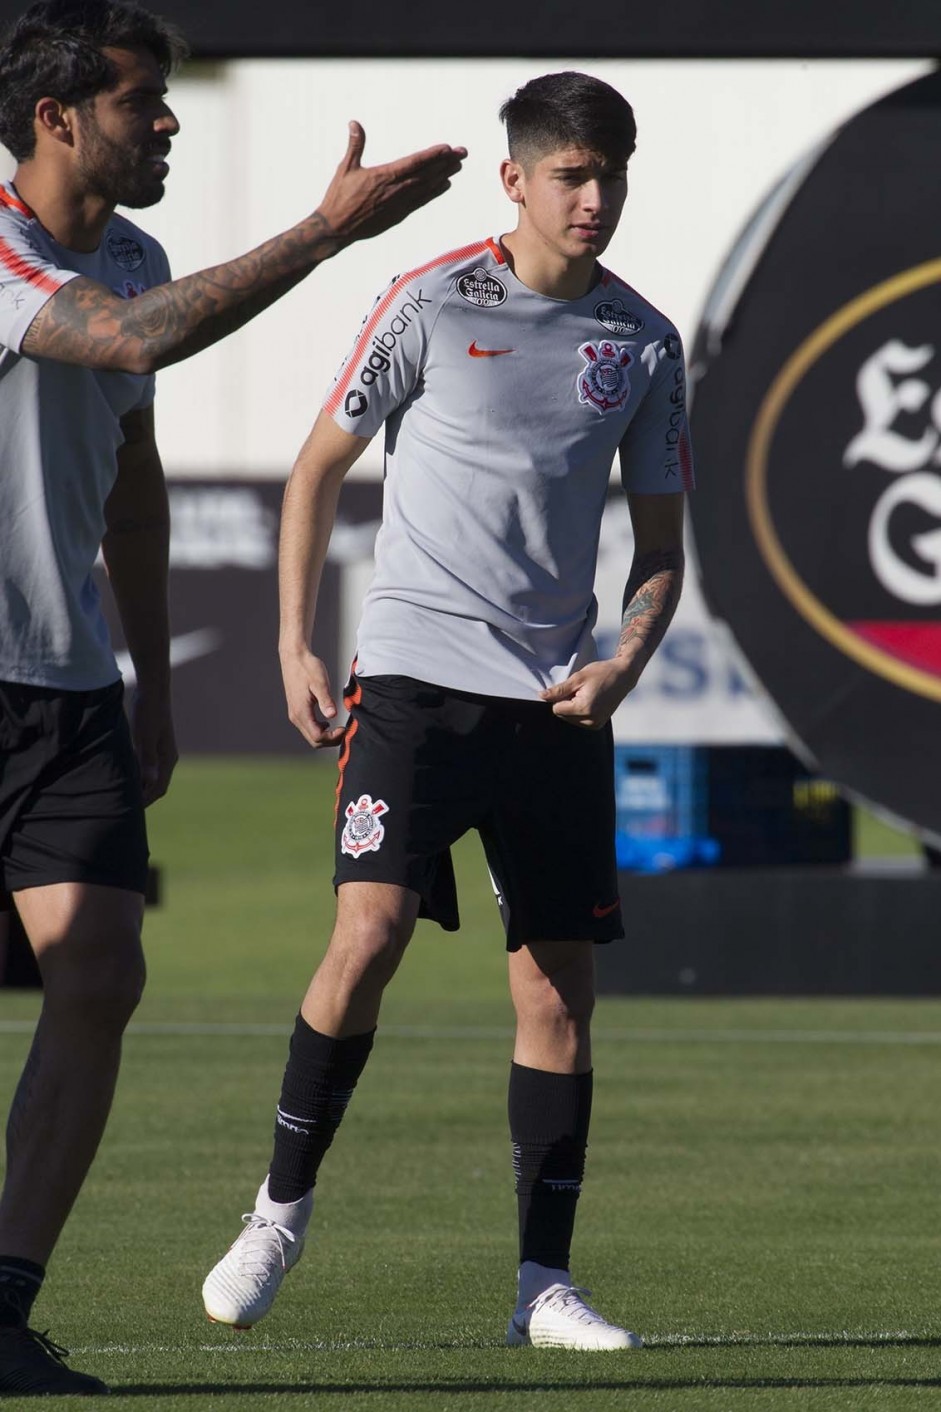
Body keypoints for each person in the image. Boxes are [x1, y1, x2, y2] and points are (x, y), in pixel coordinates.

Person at [0, 0, 464, 1394]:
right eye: (143, 100)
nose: (169, 123)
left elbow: (130, 480)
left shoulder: (129, 249)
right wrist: (324, 234)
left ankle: (4, 1309)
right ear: (57, 117)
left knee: (100, 968)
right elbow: (132, 340)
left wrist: (143, 676)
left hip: (67, 681)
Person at [202, 69, 692, 1352]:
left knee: (556, 996)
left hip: (553, 702)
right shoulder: (429, 299)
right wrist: (293, 641)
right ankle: (278, 1208)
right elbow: (317, 468)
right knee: (366, 936)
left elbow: (658, 551)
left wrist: (626, 662)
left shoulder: (640, 341)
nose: (594, 200)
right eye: (572, 176)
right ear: (515, 179)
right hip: (413, 681)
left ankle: (543, 1284)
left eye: (611, 177)